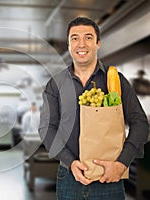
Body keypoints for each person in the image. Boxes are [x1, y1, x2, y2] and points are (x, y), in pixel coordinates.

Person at [39, 16, 149, 200]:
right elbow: (47, 128)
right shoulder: (55, 84)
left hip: (110, 177)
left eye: (88, 38)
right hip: (69, 177)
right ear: (68, 45)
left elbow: (140, 123)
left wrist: (122, 164)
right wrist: (70, 162)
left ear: (98, 43)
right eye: (75, 38)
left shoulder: (116, 80)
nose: (81, 44)